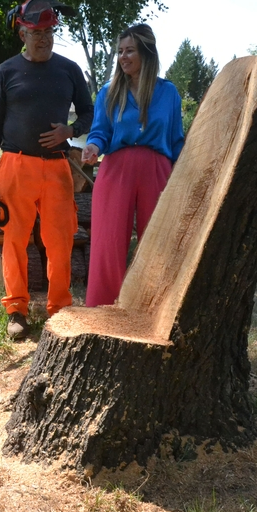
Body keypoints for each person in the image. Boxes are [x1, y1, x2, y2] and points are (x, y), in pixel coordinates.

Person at [0, 0, 94, 340]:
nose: (43, 37)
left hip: (57, 167)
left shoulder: (69, 69)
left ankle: (60, 309)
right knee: (14, 239)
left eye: (48, 30)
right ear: (22, 33)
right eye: (35, 31)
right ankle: (16, 310)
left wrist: (70, 130)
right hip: (14, 165)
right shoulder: (6, 71)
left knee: (59, 239)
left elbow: (89, 113)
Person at [80, 24, 184, 307]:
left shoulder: (169, 93)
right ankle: (102, 310)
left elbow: (177, 141)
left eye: (130, 51)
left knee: (158, 243)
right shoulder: (108, 92)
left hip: (157, 171)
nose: (123, 57)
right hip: (117, 170)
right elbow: (100, 131)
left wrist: (182, 177)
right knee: (108, 245)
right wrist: (93, 146)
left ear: (146, 53)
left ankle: (153, 309)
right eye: (120, 51)